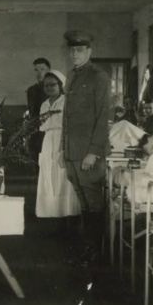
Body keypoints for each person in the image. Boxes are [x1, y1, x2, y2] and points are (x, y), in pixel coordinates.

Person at [60, 31, 111, 266]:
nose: (74, 55)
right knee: (83, 202)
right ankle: (88, 249)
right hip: (72, 152)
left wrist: (94, 151)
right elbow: (66, 118)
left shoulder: (99, 77)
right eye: (71, 51)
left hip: (89, 153)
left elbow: (103, 117)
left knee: (94, 203)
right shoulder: (71, 76)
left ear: (89, 52)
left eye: (79, 50)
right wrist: (63, 149)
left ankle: (97, 254)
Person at [35, 70, 80, 227]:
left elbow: (70, 127)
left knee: (63, 180)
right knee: (49, 178)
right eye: (46, 85)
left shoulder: (67, 102)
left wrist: (63, 149)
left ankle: (68, 220)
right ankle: (54, 218)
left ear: (60, 85)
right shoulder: (44, 104)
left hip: (63, 141)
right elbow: (42, 126)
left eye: (52, 84)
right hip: (48, 141)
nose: (48, 87)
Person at [27, 57, 51, 159]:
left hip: (49, 132)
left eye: (42, 69)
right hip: (35, 133)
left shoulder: (54, 90)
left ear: (49, 70)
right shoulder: (31, 90)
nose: (39, 73)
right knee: (35, 162)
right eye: (36, 70)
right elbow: (32, 112)